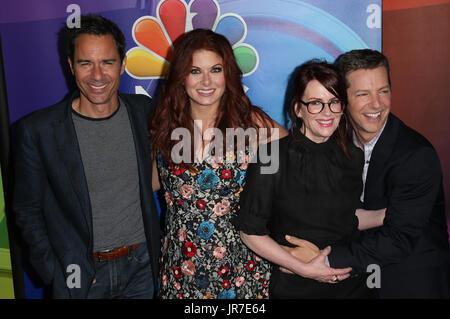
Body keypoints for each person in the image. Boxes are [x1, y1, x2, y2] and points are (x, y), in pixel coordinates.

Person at [13, 14, 160, 298]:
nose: (97, 75)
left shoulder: (144, 111)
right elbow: (27, 211)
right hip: (80, 275)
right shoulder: (39, 131)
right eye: (85, 63)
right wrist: (52, 271)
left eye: (107, 62)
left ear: (123, 64)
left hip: (142, 269)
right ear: (71, 66)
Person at [286, 49, 450, 298]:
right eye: (363, 94)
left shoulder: (415, 155)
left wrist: (324, 259)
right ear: (342, 99)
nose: (377, 104)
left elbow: (398, 239)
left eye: (383, 91)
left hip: (410, 282)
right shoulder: (336, 144)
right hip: (359, 284)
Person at [149, 29, 287, 299]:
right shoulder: (167, 126)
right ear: (181, 77)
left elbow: (299, 164)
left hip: (242, 271)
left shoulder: (251, 124)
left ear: (229, 74)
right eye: (194, 70)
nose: (206, 81)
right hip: (181, 273)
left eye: (215, 69)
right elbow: (149, 184)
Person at [232, 60, 385, 298]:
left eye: (334, 103)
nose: (327, 113)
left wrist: (392, 213)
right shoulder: (271, 156)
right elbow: (250, 231)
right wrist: (304, 269)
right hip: (297, 285)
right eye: (316, 104)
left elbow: (346, 217)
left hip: (352, 283)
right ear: (298, 109)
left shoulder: (353, 155)